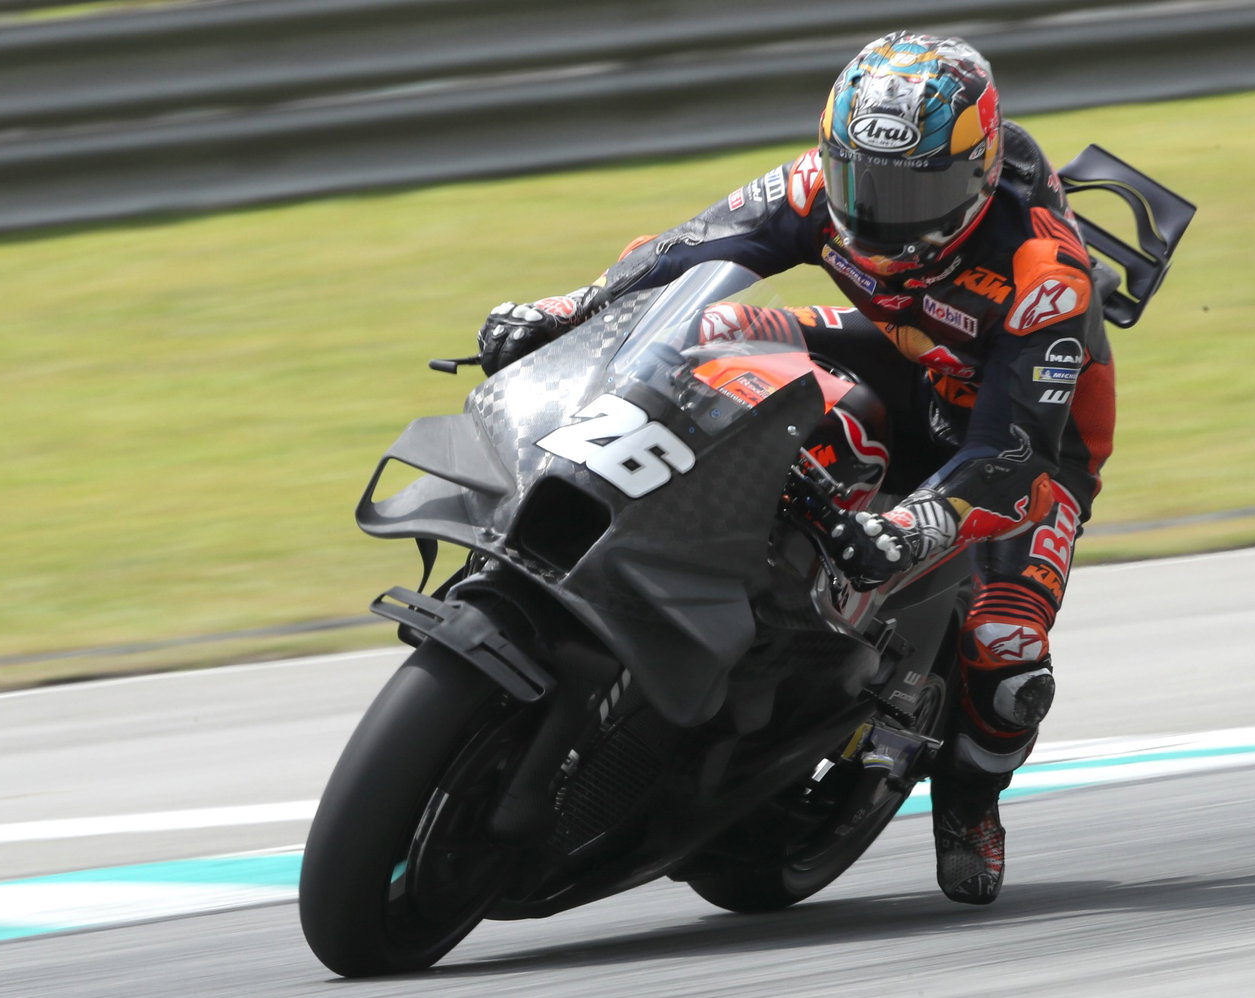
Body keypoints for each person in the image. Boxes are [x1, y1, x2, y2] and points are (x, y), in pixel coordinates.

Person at [475, 31, 1115, 906]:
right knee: (708, 338)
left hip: (1024, 440)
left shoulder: (1044, 274)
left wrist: (915, 528)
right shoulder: (818, 184)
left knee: (1008, 654)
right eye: (862, 182)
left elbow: (1015, 453)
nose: (879, 212)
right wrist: (568, 311)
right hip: (903, 351)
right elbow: (683, 252)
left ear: (976, 172)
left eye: (912, 191)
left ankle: (970, 803)